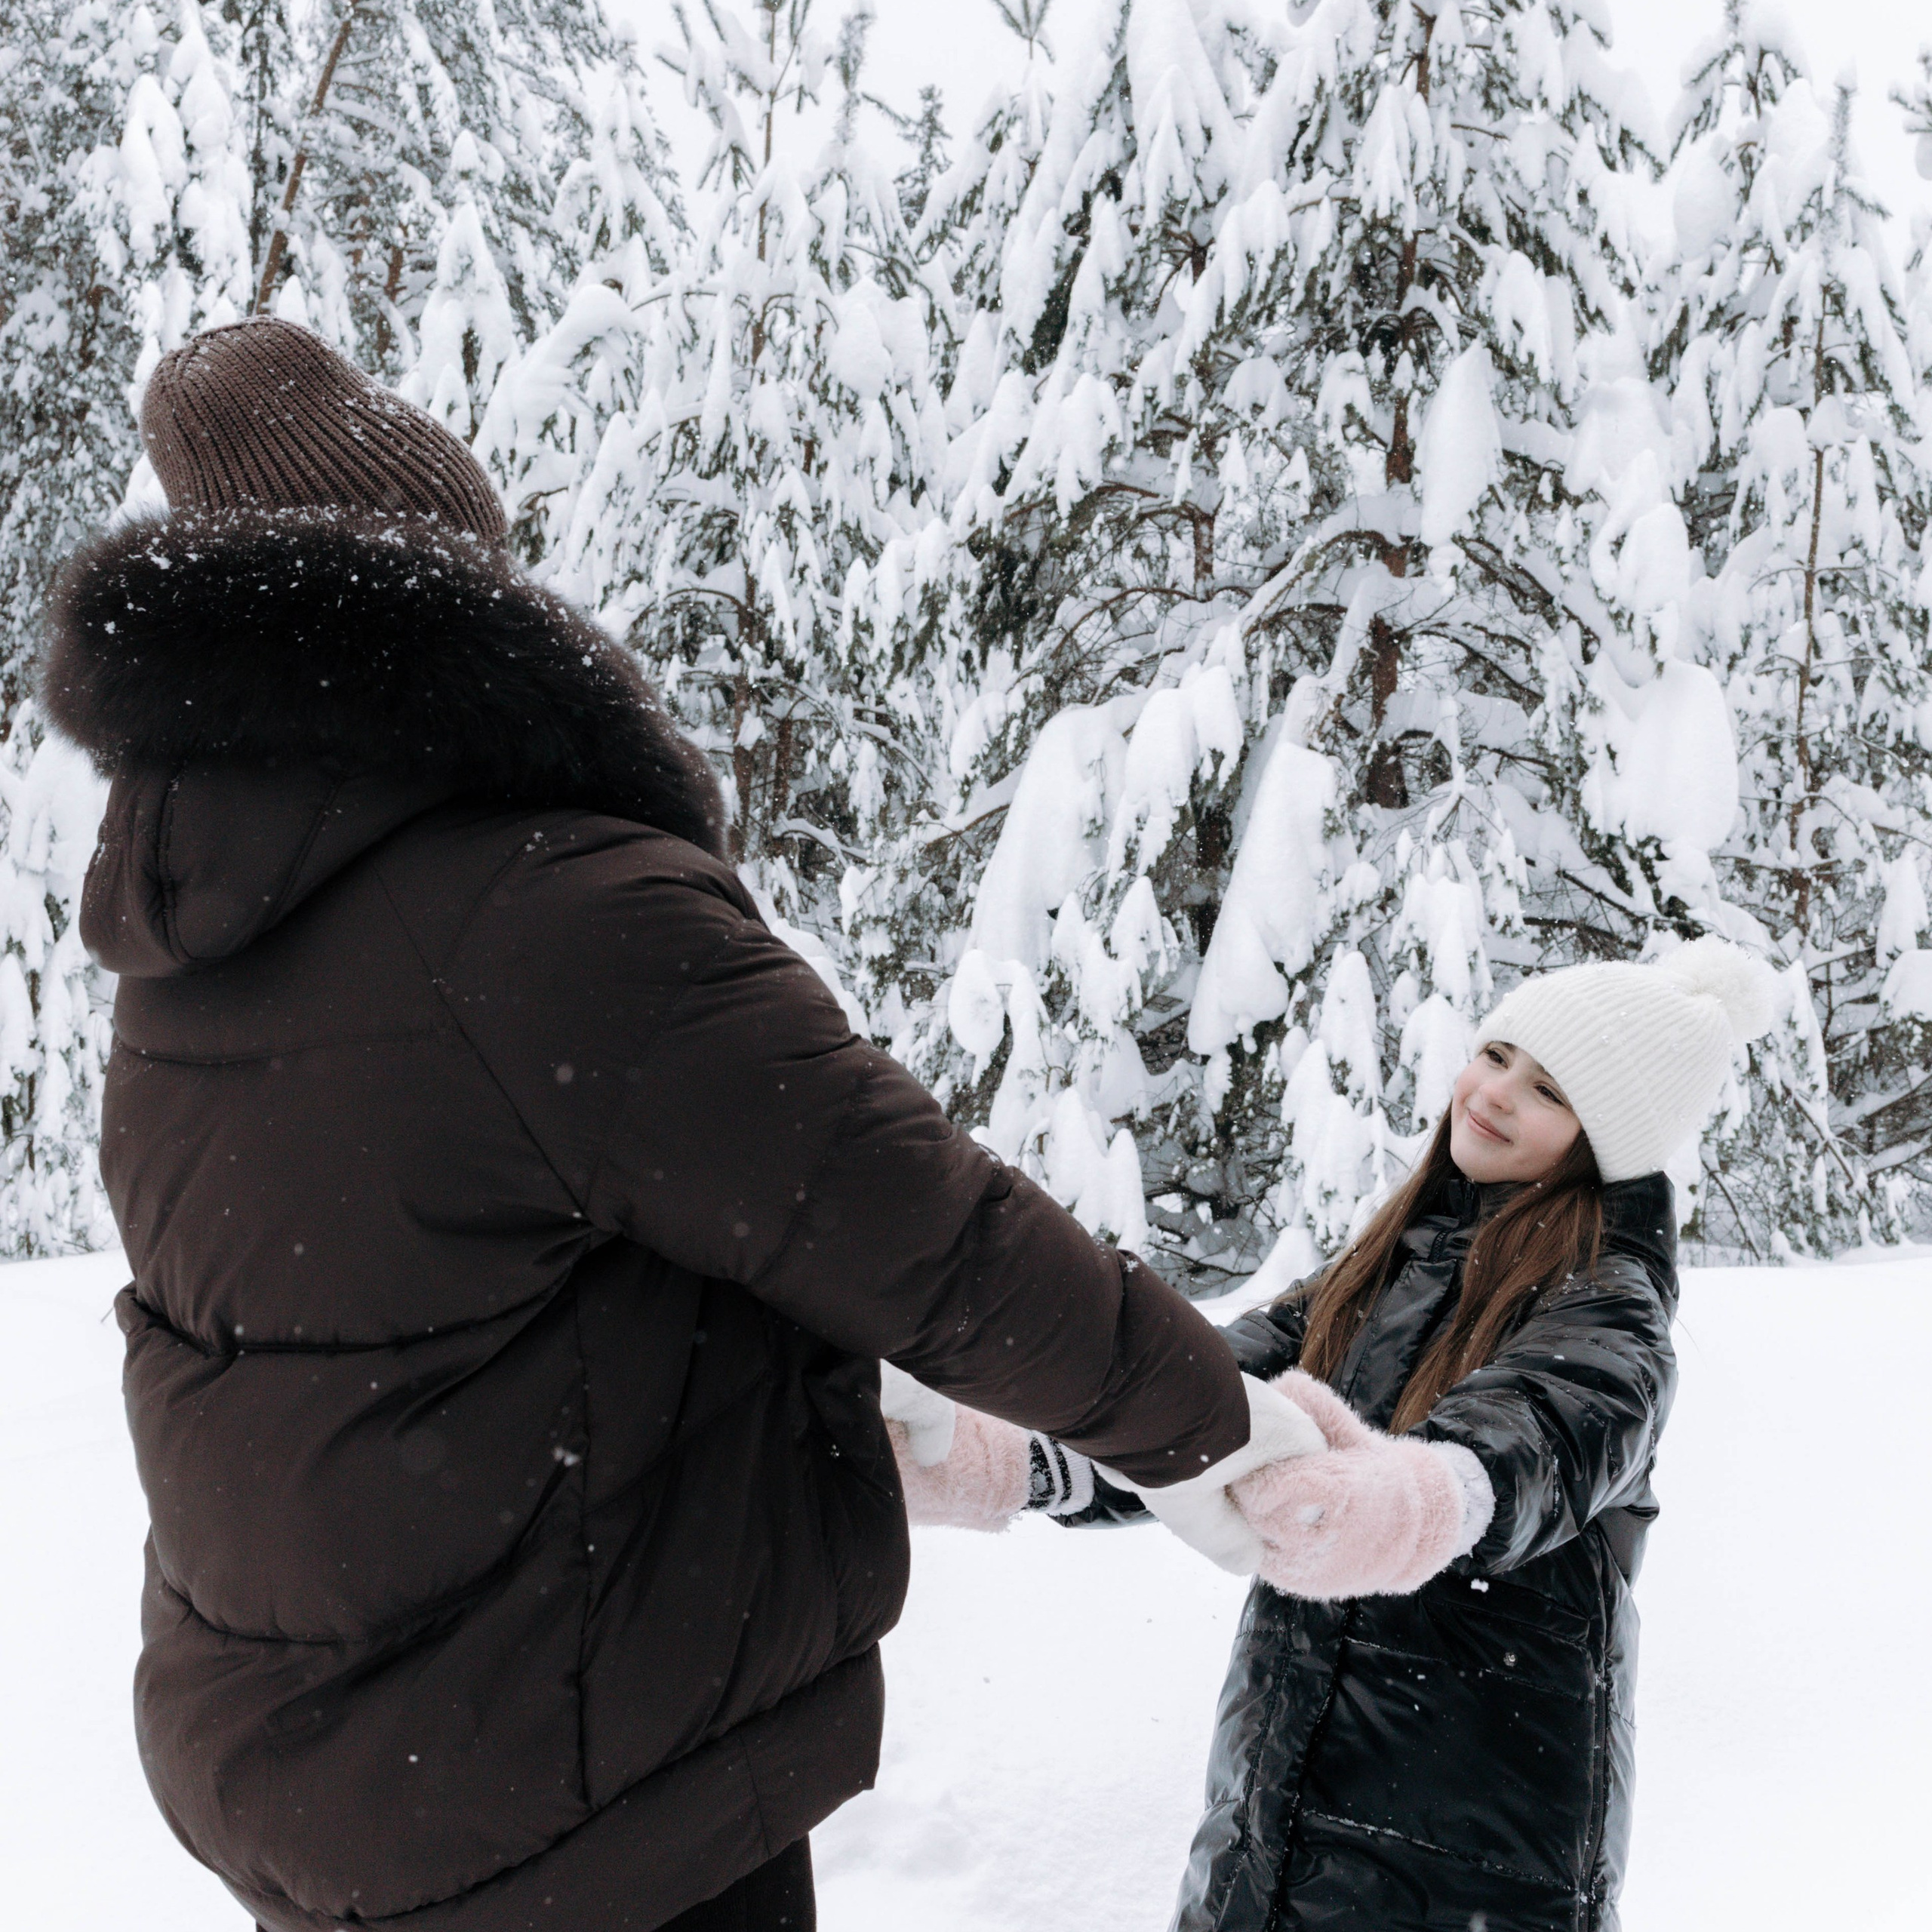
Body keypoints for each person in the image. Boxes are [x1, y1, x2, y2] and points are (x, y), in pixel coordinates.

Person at [38, 316, 1332, 1932]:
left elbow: (449, 1291)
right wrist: (1214, 1432)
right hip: (580, 1796)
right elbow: (926, 1232)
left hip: (344, 1766)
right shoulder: (543, 917)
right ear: (451, 613)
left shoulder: (189, 953)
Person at [888, 940, 1772, 1932]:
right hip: (1270, 1825)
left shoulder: (1611, 1306)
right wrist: (1001, 1464)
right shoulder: (1389, 1265)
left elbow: (1548, 1431)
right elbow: (1190, 1405)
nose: (1495, 1093)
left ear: (1601, 1140)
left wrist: (1414, 1501)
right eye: (1498, 1055)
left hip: (1470, 1868)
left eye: (1549, 1091)